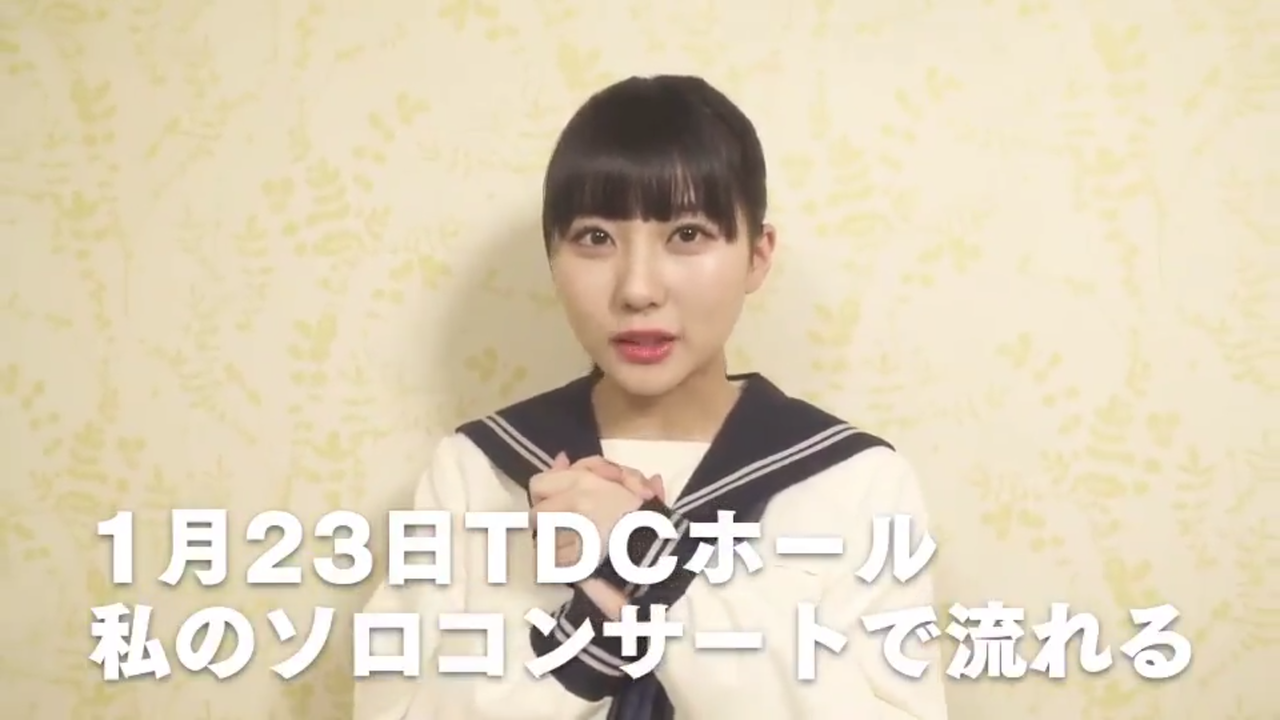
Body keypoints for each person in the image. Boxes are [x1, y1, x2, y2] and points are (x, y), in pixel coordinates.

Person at [355, 74, 948, 720]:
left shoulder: (857, 481)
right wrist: (587, 642)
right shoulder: (477, 471)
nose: (637, 289)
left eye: (687, 235)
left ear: (757, 255)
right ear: (551, 257)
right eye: (595, 238)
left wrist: (649, 563)